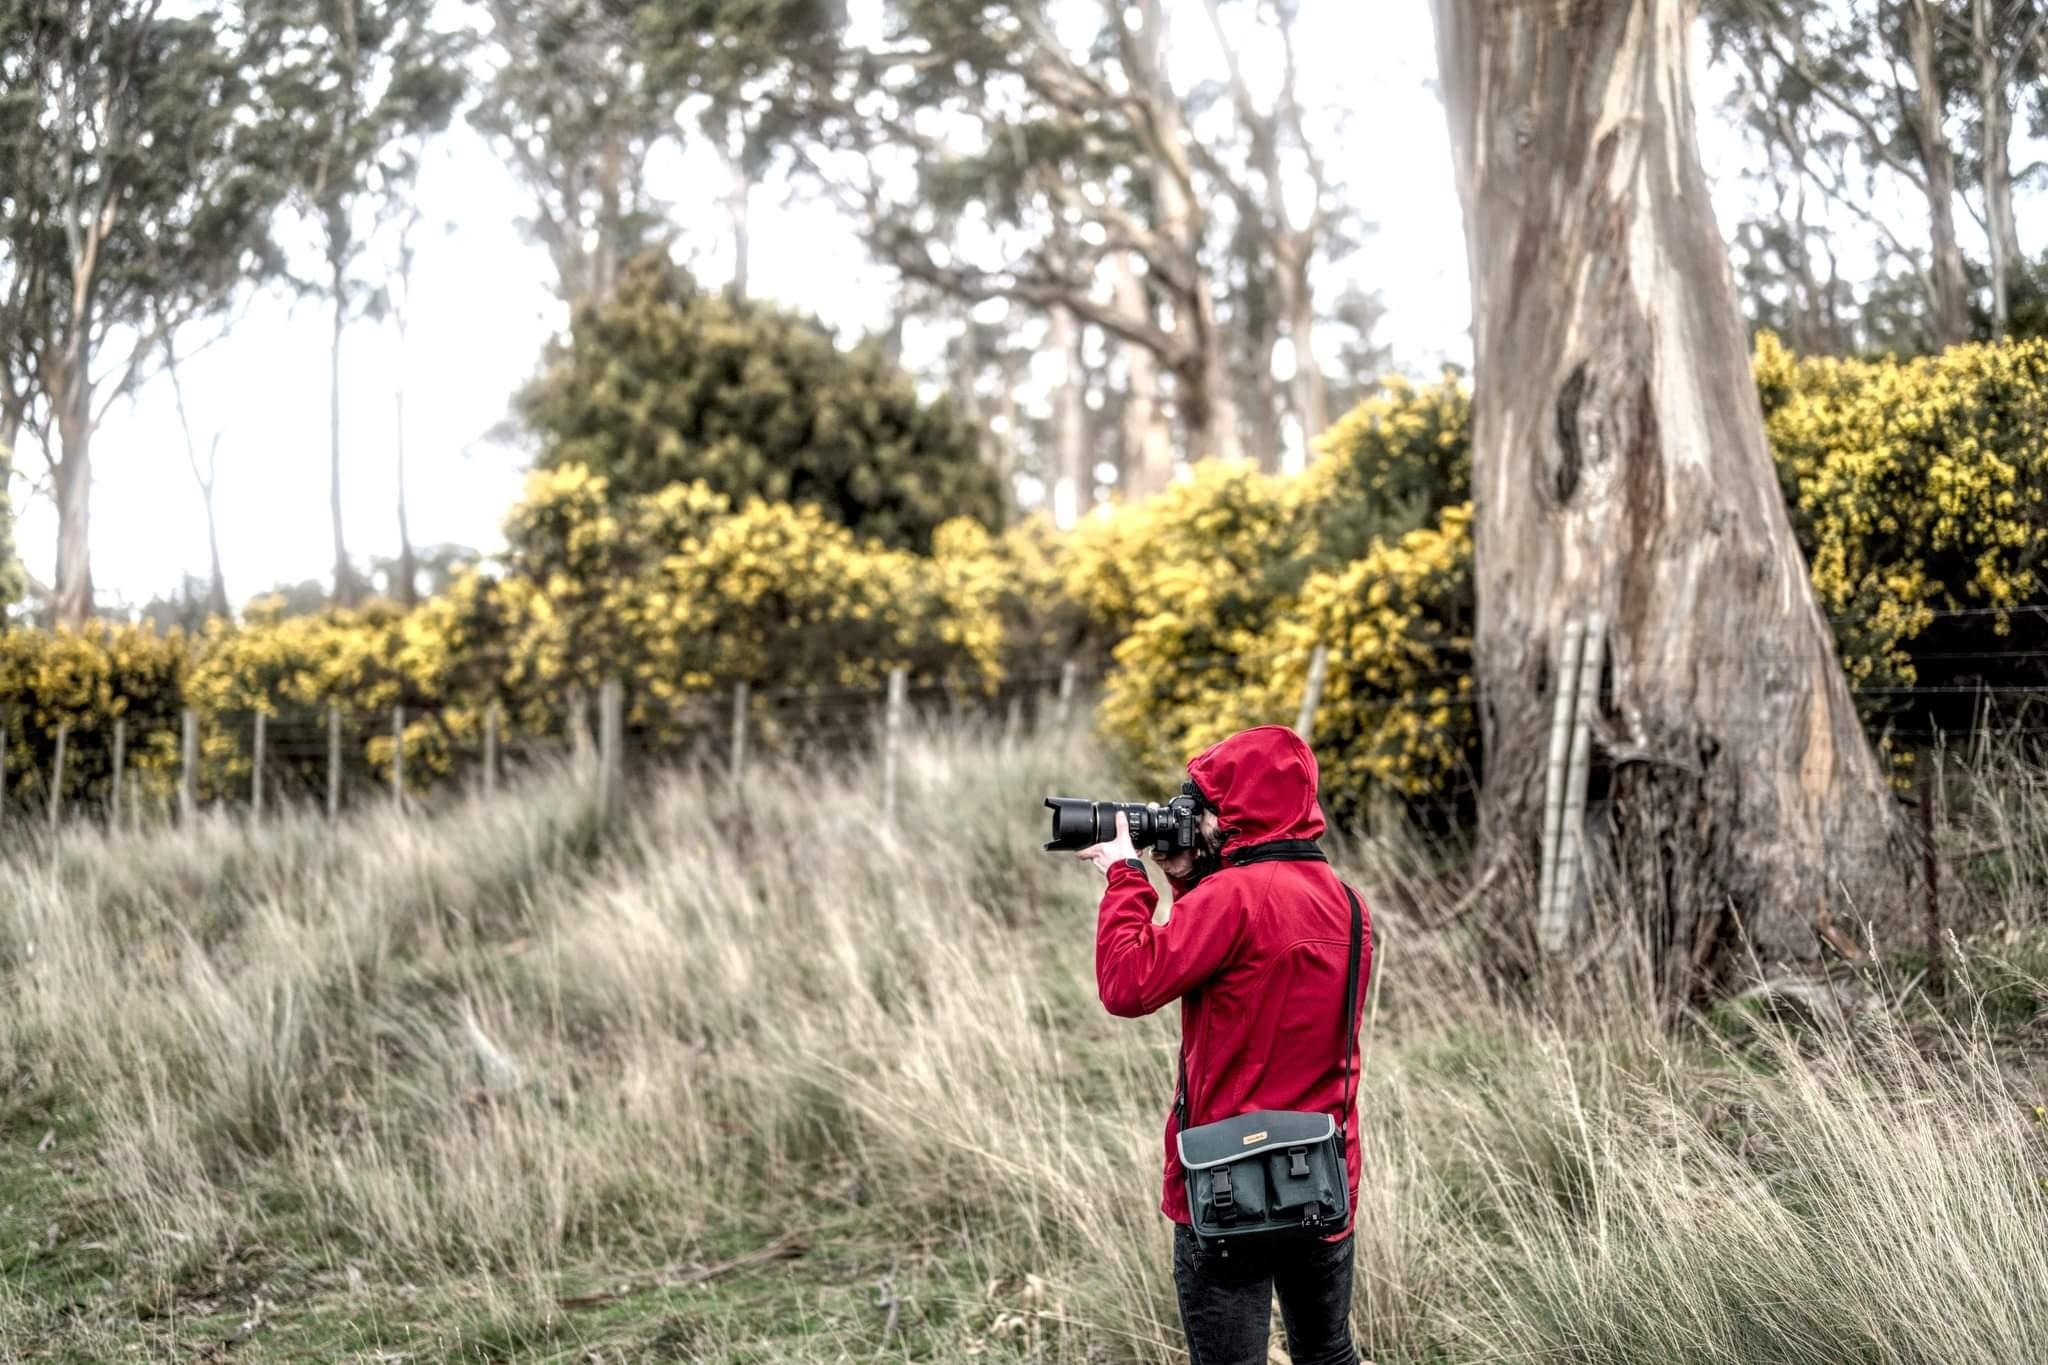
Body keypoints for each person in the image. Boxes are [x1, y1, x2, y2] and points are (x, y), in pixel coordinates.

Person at [1075, 725, 1370, 1365]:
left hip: (1226, 1185)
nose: (1196, 820)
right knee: (1327, 1352)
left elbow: (1127, 985)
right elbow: (1244, 974)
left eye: (1204, 806)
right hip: (1323, 1178)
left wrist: (1126, 875)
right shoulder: (1347, 904)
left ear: (1237, 814)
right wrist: (1188, 884)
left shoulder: (1233, 898)